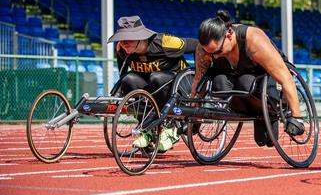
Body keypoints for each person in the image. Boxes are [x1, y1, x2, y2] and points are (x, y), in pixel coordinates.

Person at [190, 10, 305, 147]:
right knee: (218, 83)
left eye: (217, 52)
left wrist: (296, 116)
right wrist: (194, 115)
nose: (213, 57)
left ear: (229, 35)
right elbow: (198, 80)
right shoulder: (204, 49)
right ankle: (247, 112)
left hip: (261, 78)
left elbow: (286, 78)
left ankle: (269, 112)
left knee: (246, 83)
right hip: (234, 83)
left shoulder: (254, 40)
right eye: (210, 53)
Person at [108, 15, 198, 152]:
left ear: (140, 36)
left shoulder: (166, 43)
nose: (123, 42)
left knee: (156, 77)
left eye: (128, 38)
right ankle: (146, 129)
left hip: (179, 85)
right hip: (151, 88)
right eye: (121, 38)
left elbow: (199, 46)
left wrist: (200, 79)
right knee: (128, 80)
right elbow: (123, 75)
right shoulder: (122, 49)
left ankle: (169, 128)